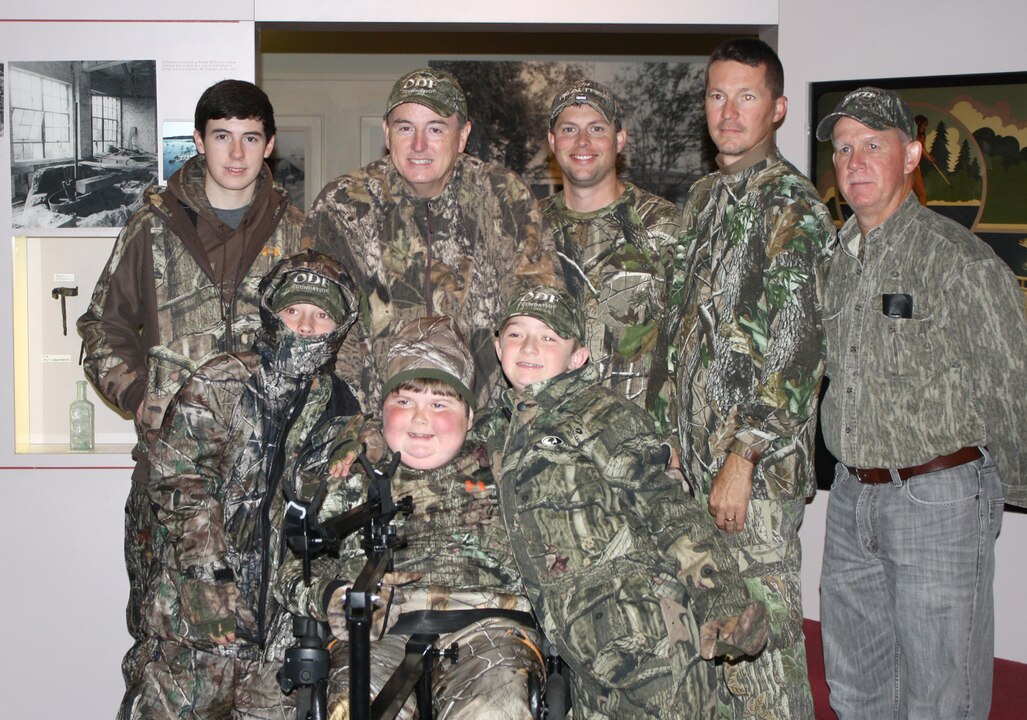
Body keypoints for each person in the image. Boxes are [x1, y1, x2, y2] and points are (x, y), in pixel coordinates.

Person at [815, 85, 1027, 720]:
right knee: (860, 700)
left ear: (912, 155)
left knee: (941, 716)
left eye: (873, 146)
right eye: (843, 148)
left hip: (938, 501)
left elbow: (1019, 383)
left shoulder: (959, 261)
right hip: (853, 503)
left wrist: (997, 493)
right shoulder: (836, 258)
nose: (854, 162)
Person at [484, 285, 769, 720]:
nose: (529, 349)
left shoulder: (603, 414)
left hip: (652, 647)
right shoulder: (499, 430)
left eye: (548, 338)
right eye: (516, 334)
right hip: (588, 660)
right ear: (497, 348)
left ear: (579, 357)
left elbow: (668, 508)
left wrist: (722, 605)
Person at [77, 79, 303, 683]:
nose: (236, 154)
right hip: (170, 487)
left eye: (250, 138)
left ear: (269, 145)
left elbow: (331, 347)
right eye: (222, 137)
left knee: (262, 663)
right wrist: (141, 397)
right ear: (199, 141)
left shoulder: (300, 234)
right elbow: (102, 329)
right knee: (167, 659)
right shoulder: (150, 229)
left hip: (267, 489)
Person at [117, 250, 361, 720]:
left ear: (340, 327)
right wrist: (210, 582)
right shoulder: (223, 381)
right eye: (295, 311)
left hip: (281, 639)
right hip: (198, 621)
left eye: (322, 316)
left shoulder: (344, 408)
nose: (307, 326)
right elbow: (180, 480)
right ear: (273, 313)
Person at [275, 316, 544, 720]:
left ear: (470, 417)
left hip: (491, 629)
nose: (420, 419)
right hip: (379, 636)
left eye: (440, 403)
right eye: (405, 401)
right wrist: (337, 597)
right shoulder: (352, 472)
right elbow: (295, 571)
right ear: (383, 410)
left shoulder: (511, 461)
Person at [670, 39, 834, 720]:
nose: (727, 112)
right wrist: (669, 436)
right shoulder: (703, 199)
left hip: (751, 484)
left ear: (777, 108)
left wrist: (743, 455)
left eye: (745, 97)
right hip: (691, 472)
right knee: (710, 661)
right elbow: (680, 333)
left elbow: (799, 350)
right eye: (715, 96)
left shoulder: (792, 206)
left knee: (764, 676)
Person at [304, 67, 560, 411]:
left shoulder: (502, 197)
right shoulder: (344, 204)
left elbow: (538, 313)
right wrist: (350, 424)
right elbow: (318, 325)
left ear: (463, 135)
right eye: (405, 128)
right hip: (373, 426)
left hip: (483, 427)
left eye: (436, 128)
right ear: (386, 131)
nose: (418, 145)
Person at [540, 79, 680, 434]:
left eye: (596, 129)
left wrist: (675, 444)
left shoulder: (664, 227)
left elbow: (688, 345)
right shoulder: (528, 230)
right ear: (552, 141)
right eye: (569, 129)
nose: (582, 142)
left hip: (640, 450)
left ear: (619, 140)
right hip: (545, 447)